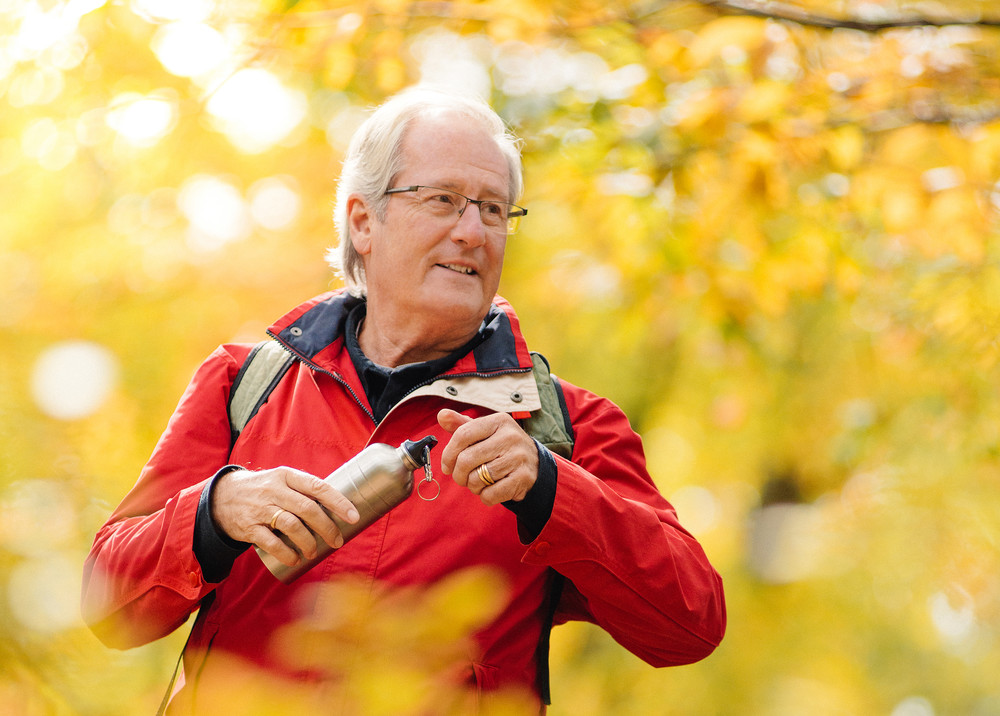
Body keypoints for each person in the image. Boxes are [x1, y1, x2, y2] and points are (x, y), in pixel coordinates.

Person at [82, 86, 726, 714]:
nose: (474, 232)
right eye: (444, 200)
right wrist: (213, 512)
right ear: (365, 221)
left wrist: (554, 490)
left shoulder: (569, 426)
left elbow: (689, 625)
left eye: (494, 209)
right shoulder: (240, 385)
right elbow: (106, 607)